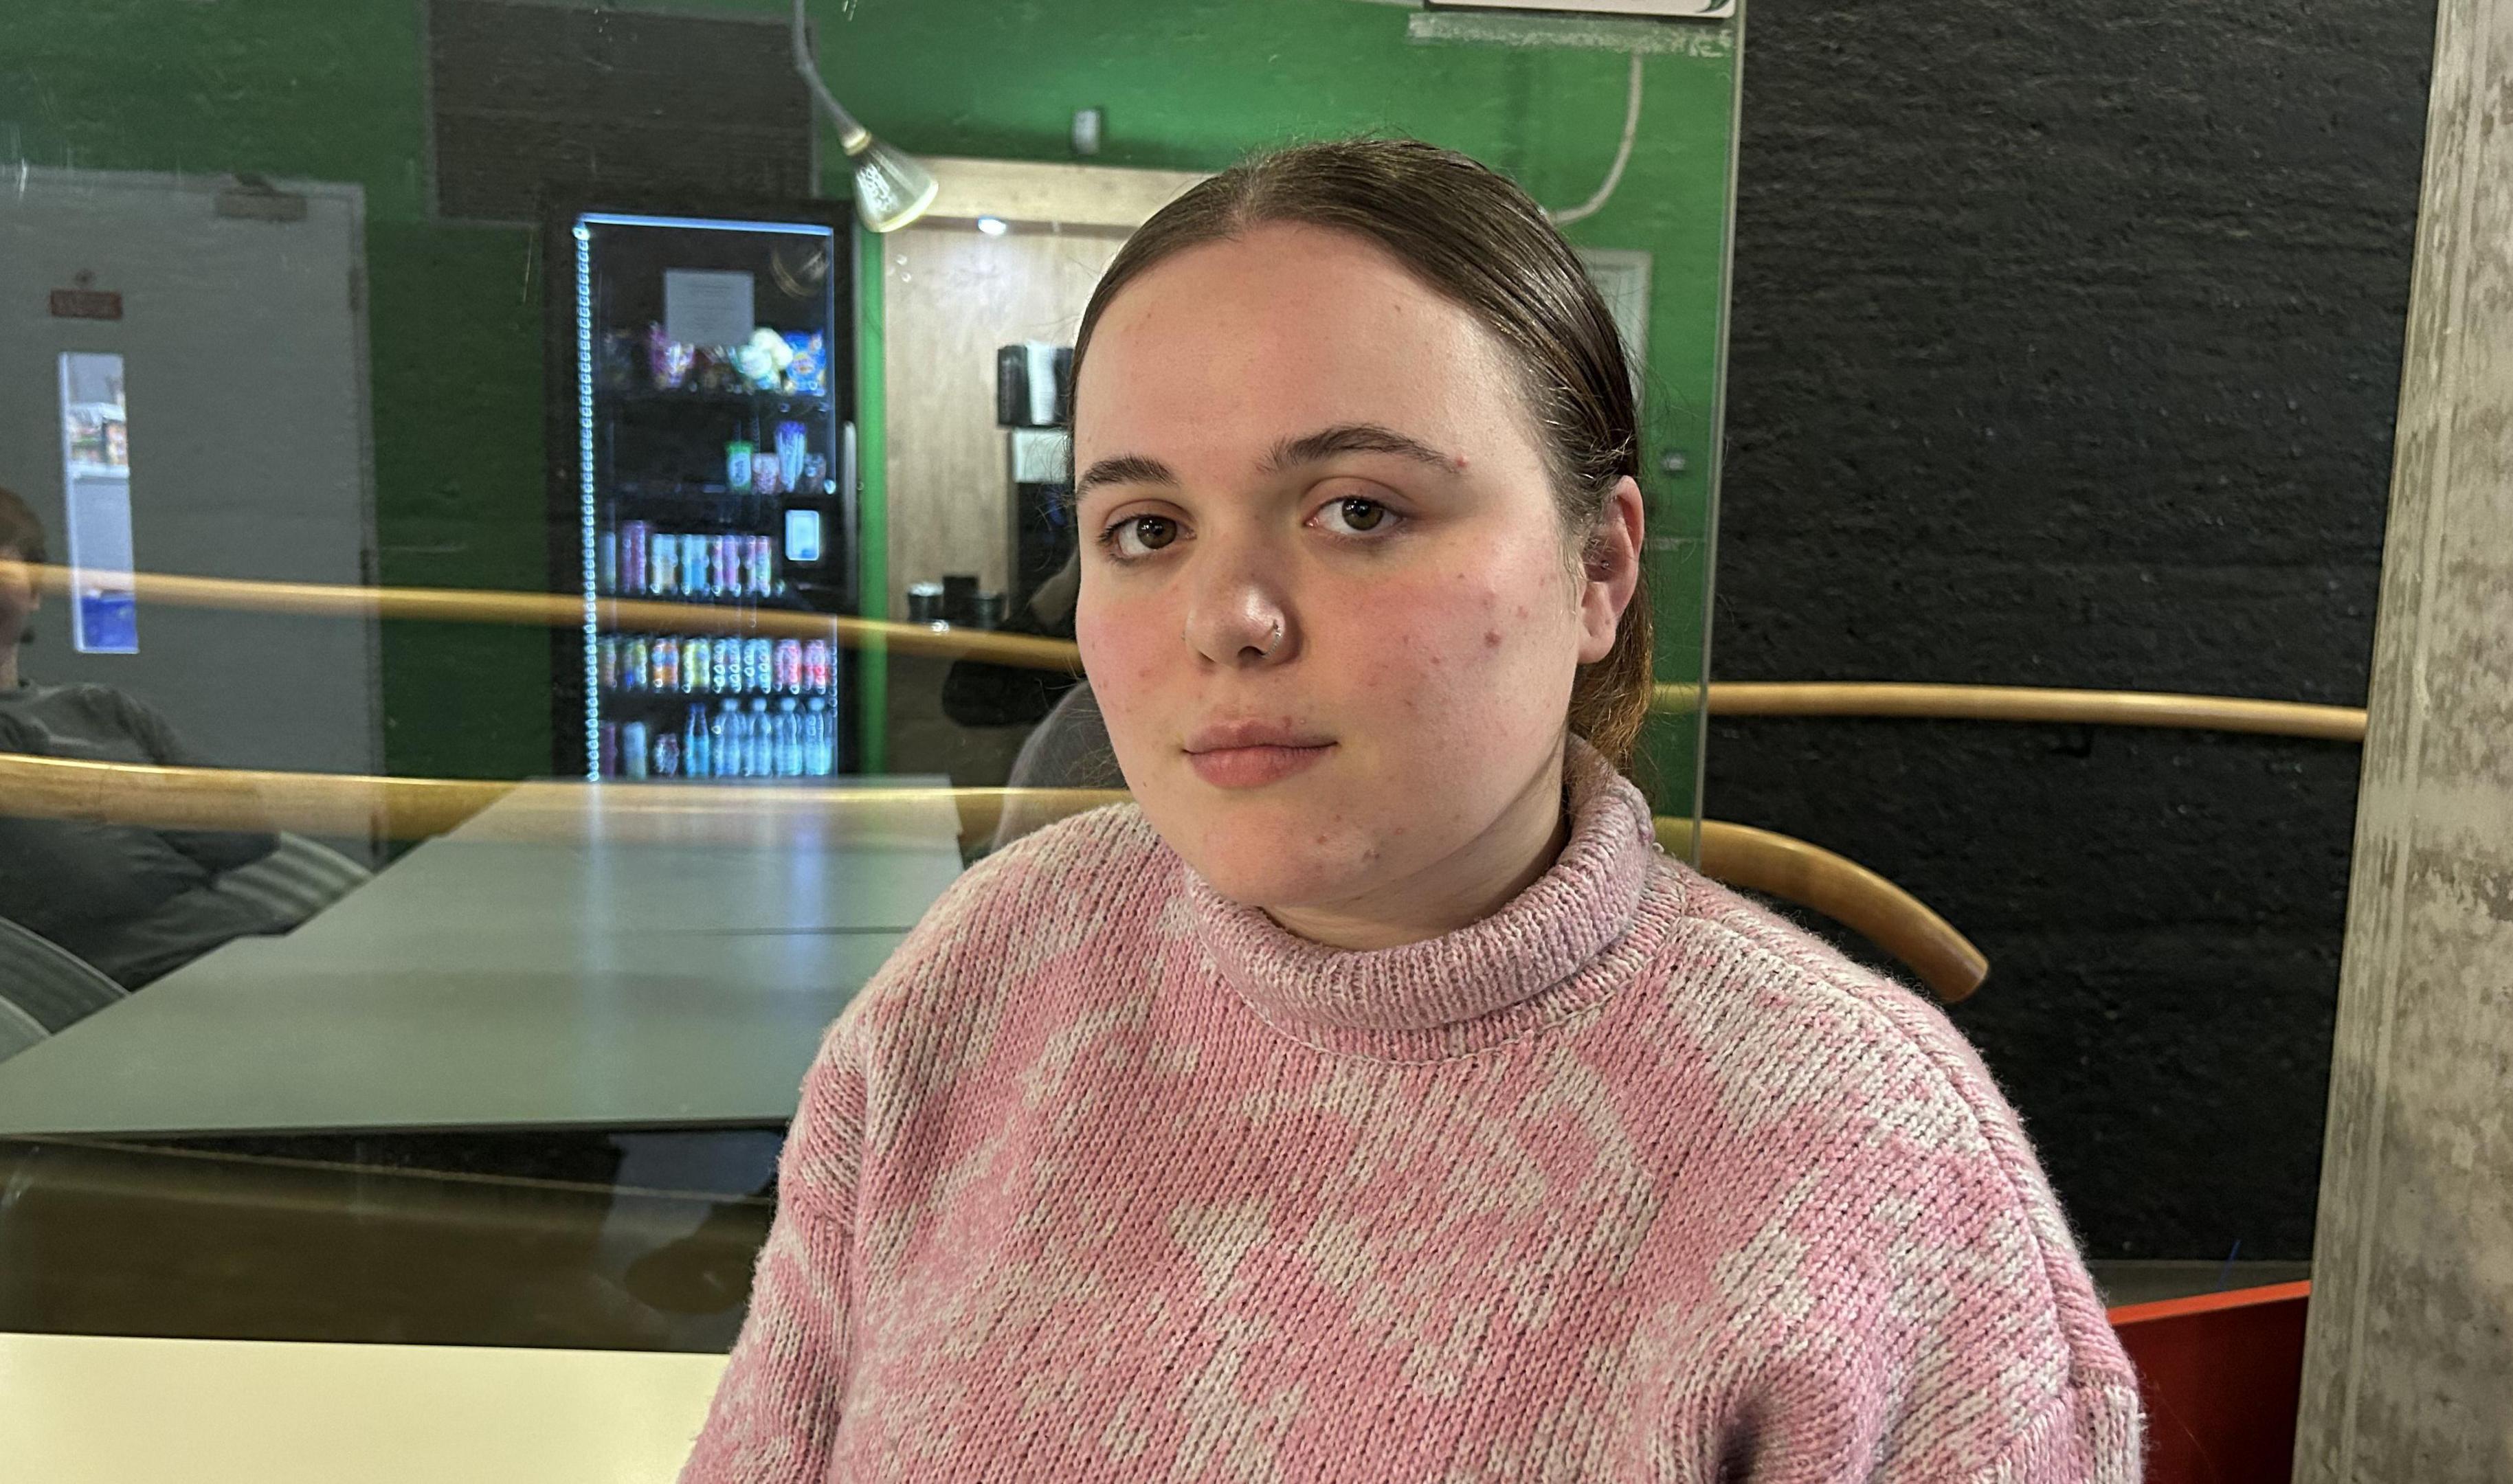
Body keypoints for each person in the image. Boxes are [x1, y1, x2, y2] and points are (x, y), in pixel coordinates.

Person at [681, 140, 2141, 1481]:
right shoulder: (988, 977)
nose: (1228, 618)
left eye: (1359, 509)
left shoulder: (1861, 1160)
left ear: (1597, 571)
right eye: (1146, 529)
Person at [0, 484, 290, 991]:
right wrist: (164, 816)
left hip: (255, 951)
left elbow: (248, 832)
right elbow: (90, 882)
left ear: (38, 590)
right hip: (142, 995)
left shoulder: (103, 707)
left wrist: (105, 813)